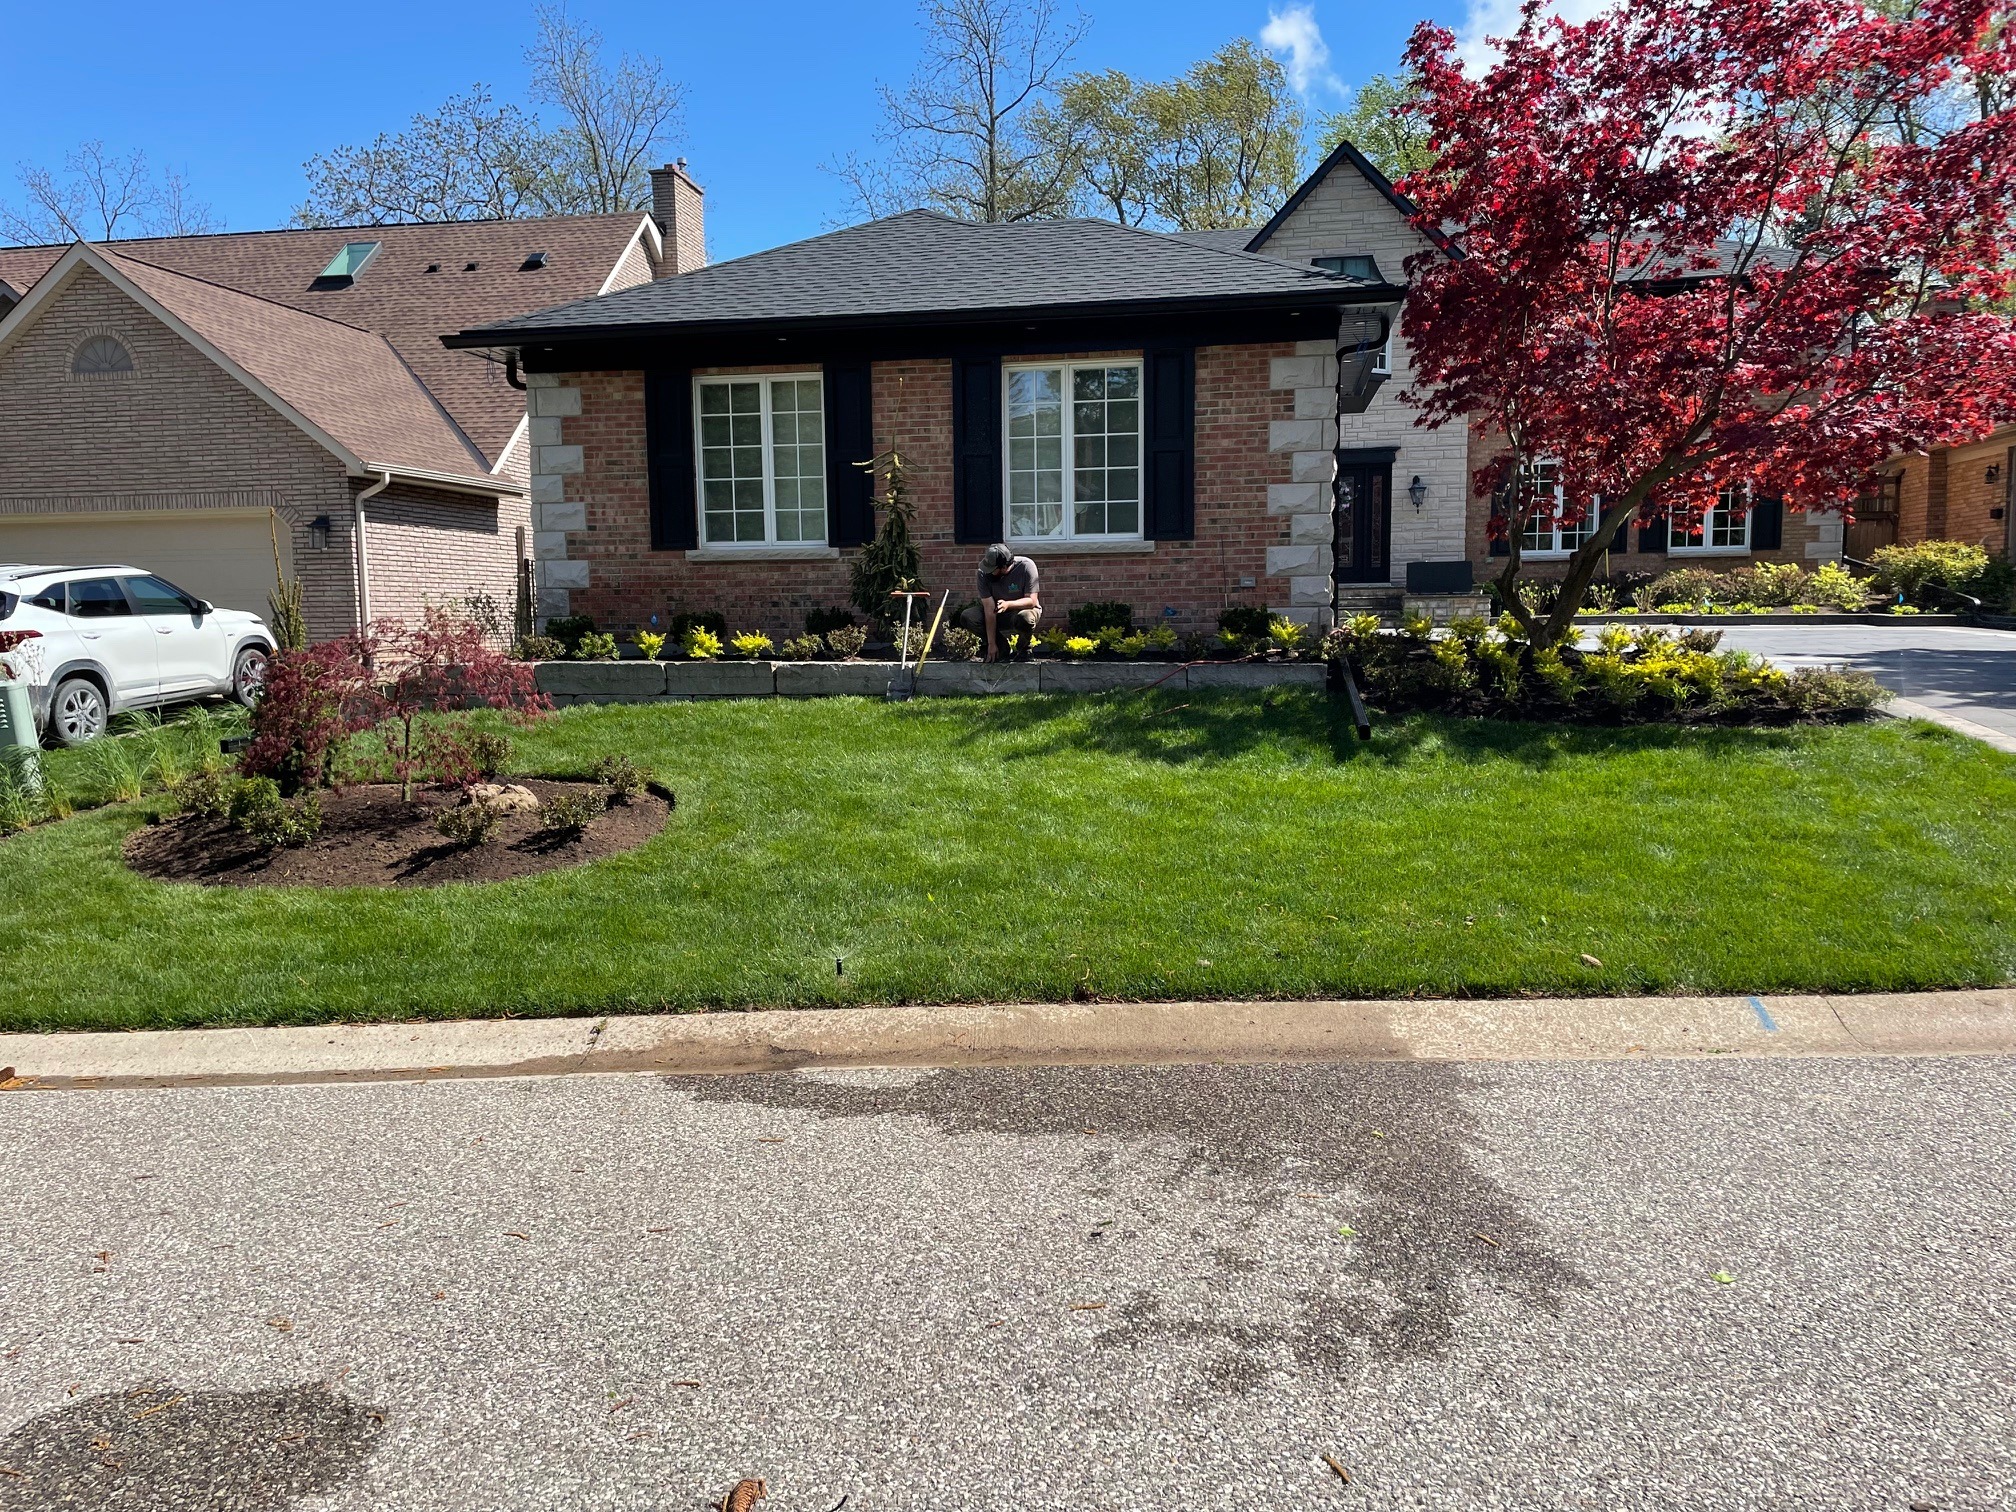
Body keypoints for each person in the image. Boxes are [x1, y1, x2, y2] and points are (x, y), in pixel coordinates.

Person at [959, 543, 1042, 662]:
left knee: (1025, 618)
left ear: (1003, 567)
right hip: (998, 613)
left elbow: (1032, 601)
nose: (988, 572)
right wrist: (991, 644)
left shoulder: (1026, 566)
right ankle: (1001, 649)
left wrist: (1008, 604)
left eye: (992, 569)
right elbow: (989, 609)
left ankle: (1024, 649)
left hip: (1022, 611)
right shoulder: (983, 573)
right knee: (968, 617)